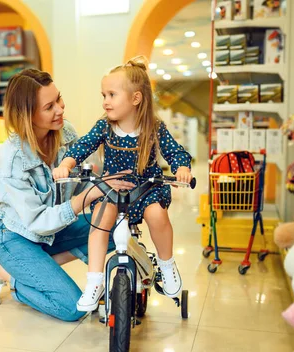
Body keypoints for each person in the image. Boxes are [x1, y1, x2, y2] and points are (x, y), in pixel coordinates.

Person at [0, 69, 134, 322]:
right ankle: (0, 270)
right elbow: (38, 222)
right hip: (18, 239)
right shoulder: (12, 159)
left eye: (58, 99)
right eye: (49, 107)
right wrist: (88, 196)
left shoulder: (66, 133)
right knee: (72, 308)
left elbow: (84, 181)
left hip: (56, 231)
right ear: (28, 115)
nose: (60, 109)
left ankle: (41, 265)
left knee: (116, 230)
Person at [53, 56, 193, 312]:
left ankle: (166, 263)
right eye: (103, 95)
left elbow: (175, 152)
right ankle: (94, 281)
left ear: (135, 99)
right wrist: (68, 164)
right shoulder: (104, 127)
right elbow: (83, 146)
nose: (105, 101)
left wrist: (182, 168)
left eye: (112, 94)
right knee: (99, 220)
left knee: (157, 215)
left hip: (146, 188)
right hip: (113, 189)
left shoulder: (154, 127)